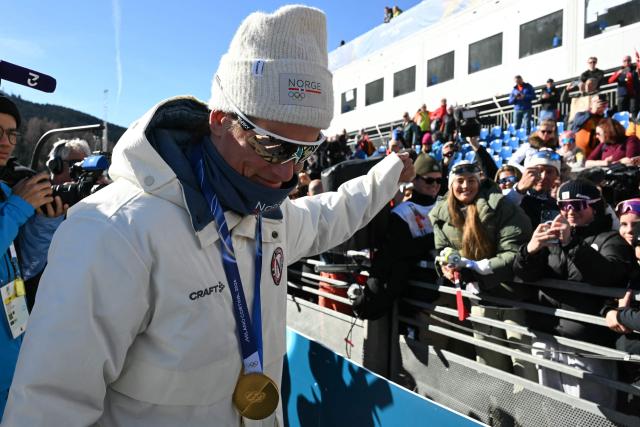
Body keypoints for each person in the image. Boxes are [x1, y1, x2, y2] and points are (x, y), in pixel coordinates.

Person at [2, 6, 415, 426]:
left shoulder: (269, 216)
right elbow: (46, 409)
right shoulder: (114, 231)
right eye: (273, 147)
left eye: (304, 151)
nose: (288, 172)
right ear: (220, 120)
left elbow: (331, 215)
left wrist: (390, 172)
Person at [514, 179, 634, 407]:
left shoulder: (611, 239)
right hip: (549, 338)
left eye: (577, 205)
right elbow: (525, 276)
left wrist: (571, 243)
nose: (569, 211)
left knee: (593, 413)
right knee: (553, 408)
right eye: (563, 205)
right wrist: (530, 251)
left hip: (587, 346)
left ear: (595, 207)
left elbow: (607, 276)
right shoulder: (554, 238)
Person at [429, 161, 535, 380]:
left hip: (512, 299)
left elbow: (514, 251)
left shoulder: (502, 206)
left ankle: (529, 414)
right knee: (490, 369)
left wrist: (476, 269)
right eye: (460, 181)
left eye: (471, 181)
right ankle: (497, 414)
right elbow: (441, 249)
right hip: (478, 300)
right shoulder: (440, 213)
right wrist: (446, 265)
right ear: (451, 185)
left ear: (480, 181)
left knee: (524, 370)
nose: (465, 186)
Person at [0, 97, 68, 419]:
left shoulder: (5, 190)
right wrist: (18, 209)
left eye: (12, 134)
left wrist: (45, 225)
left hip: (13, 363)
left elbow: (21, 267)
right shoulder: (12, 200)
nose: (5, 143)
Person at [352, 154, 442, 320]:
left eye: (439, 181)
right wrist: (435, 238)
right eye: (429, 180)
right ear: (414, 180)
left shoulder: (445, 204)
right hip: (419, 291)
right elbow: (403, 249)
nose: (435, 185)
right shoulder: (402, 213)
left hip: (444, 285)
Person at [505, 148, 562, 229]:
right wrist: (518, 190)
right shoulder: (516, 196)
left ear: (556, 176)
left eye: (549, 172)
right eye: (539, 170)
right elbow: (501, 213)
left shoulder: (557, 205)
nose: (543, 176)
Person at [571, 94, 608, 158]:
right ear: (591, 104)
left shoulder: (605, 119)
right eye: (596, 102)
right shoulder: (580, 115)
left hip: (595, 155)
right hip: (579, 154)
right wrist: (592, 111)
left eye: (603, 103)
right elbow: (578, 123)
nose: (600, 104)